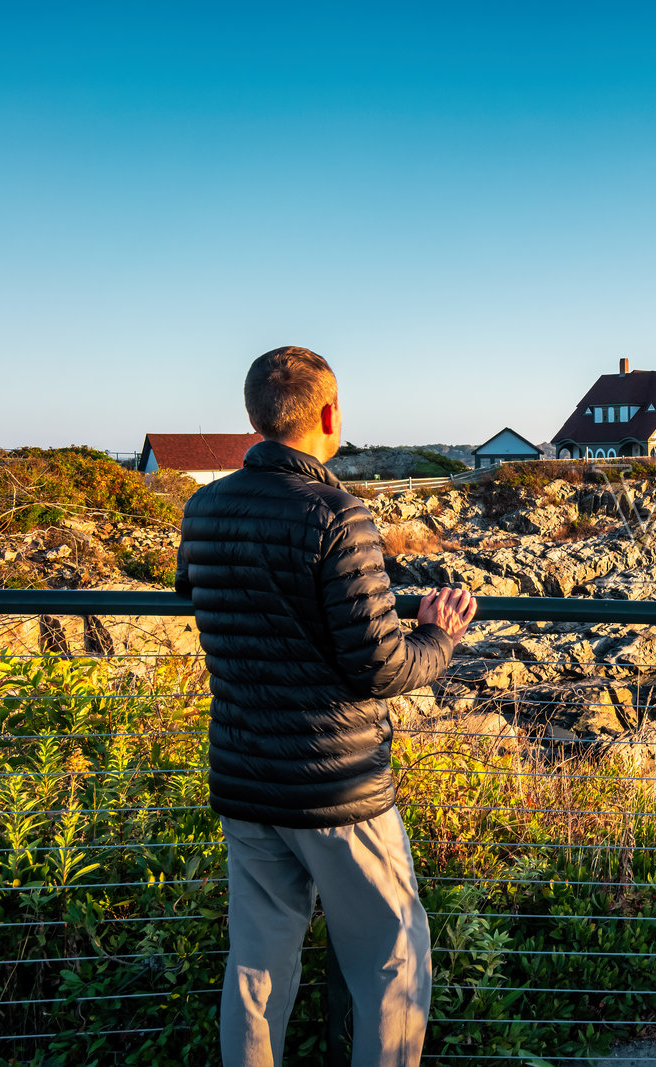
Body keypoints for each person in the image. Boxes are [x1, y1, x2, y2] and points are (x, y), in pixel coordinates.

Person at [175, 346, 476, 1066]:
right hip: (337, 786)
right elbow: (382, 666)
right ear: (330, 415)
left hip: (246, 774)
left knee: (257, 966)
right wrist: (439, 633)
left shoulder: (203, 507)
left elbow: (197, 590)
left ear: (255, 416)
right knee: (395, 957)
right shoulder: (339, 516)